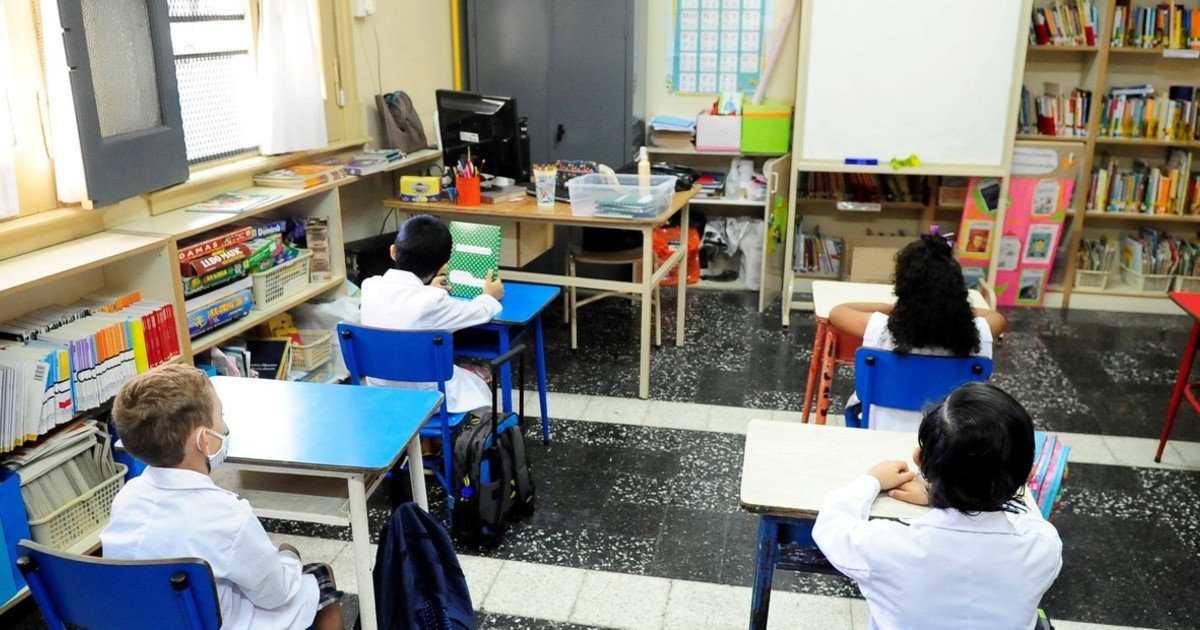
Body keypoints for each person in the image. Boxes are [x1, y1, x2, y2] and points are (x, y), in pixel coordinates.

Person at [101, 365, 344, 630]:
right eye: (221, 416)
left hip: (143, 620)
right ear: (204, 440)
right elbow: (277, 594)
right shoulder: (228, 515)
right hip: (211, 623)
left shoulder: (125, 499)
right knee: (320, 575)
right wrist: (289, 557)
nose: (225, 426)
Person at [813, 382, 1063, 629]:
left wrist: (873, 480)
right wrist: (945, 494)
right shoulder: (1044, 546)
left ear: (919, 460)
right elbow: (1024, 517)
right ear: (1027, 474)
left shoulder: (884, 546)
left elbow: (830, 523)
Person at [830, 234, 1006, 432]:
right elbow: (997, 317)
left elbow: (837, 312)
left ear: (902, 288)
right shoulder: (979, 331)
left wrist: (899, 308)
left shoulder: (882, 329)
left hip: (882, 431)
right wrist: (952, 307)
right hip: (951, 437)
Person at [359, 214, 504, 414]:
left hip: (380, 395)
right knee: (478, 379)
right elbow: (480, 312)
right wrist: (490, 295)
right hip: (427, 397)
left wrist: (427, 289)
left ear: (393, 251)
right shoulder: (434, 301)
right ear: (444, 266)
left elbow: (404, 301)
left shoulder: (370, 287)